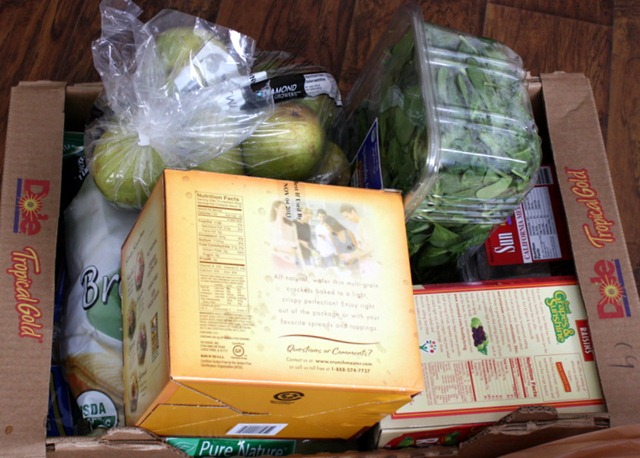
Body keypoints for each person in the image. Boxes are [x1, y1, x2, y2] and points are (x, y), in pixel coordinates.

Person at [339, 203, 376, 276]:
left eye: (347, 216)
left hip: (371, 262)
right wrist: (350, 255)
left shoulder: (365, 223)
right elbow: (362, 246)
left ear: (353, 212)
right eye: (345, 218)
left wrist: (351, 256)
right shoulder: (359, 225)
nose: (347, 220)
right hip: (366, 263)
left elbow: (369, 245)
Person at [269, 200, 303, 270]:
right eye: (283, 208)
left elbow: (296, 244)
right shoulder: (271, 226)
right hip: (277, 258)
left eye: (286, 208)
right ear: (276, 209)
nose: (285, 210)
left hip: (291, 260)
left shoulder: (291, 225)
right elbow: (271, 246)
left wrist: (303, 263)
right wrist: (285, 249)